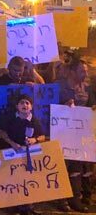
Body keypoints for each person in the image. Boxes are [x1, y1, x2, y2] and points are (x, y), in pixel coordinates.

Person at [0, 94, 45, 215]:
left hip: (27, 157)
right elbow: (0, 132)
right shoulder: (9, 118)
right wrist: (12, 143)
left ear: (31, 107)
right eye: (22, 103)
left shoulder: (35, 121)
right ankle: (11, 205)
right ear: (17, 106)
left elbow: (43, 136)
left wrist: (35, 140)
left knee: (27, 179)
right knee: (11, 179)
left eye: (27, 103)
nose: (24, 105)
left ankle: (27, 206)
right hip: (10, 153)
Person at [56, 60, 93, 213]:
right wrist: (63, 105)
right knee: (62, 166)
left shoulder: (87, 88)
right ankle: (61, 199)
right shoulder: (58, 86)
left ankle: (75, 199)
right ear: (72, 71)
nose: (85, 74)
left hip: (79, 135)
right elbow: (46, 106)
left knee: (77, 168)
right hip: (61, 132)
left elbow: (91, 106)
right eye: (82, 71)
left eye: (86, 71)